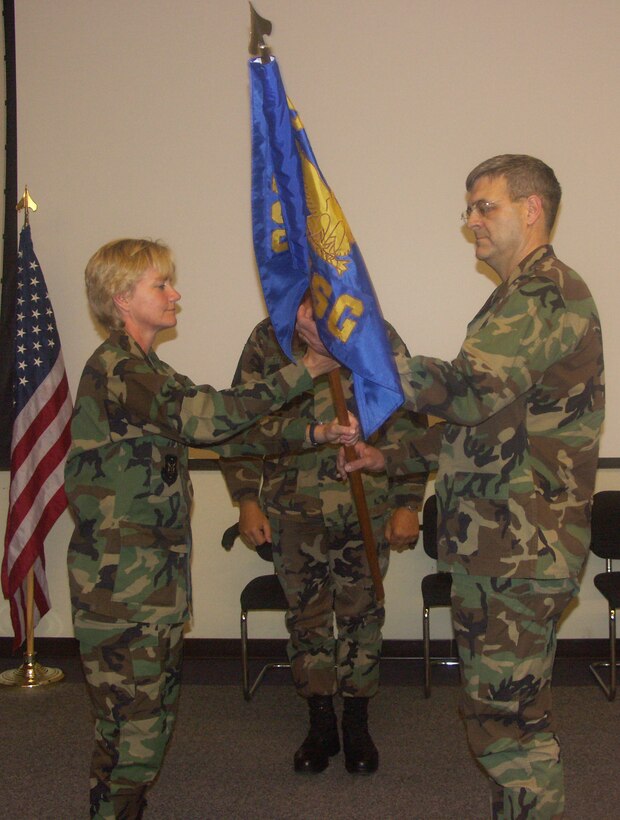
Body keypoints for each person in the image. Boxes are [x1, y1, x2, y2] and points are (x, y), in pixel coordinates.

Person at [298, 155, 605, 818]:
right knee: (501, 719)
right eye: (467, 209)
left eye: (483, 207)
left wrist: (360, 344)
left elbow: (466, 391)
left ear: (531, 209)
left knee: (511, 730)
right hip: (500, 550)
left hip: (522, 553)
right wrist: (390, 456)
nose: (470, 223)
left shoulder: (546, 292)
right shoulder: (512, 299)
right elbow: (485, 426)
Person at [64, 238, 356, 820]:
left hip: (150, 586)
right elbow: (209, 416)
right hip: (123, 593)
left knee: (142, 724)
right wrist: (308, 369)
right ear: (123, 299)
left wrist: (313, 436)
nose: (176, 295)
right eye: (160, 285)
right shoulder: (122, 370)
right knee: (133, 737)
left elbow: (224, 433)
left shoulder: (148, 370)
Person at [220, 305, 428, 775]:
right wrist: (245, 500)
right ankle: (319, 723)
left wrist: (407, 503)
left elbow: (407, 416)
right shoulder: (268, 340)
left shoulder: (372, 332)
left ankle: (357, 721)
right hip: (292, 508)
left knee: (362, 616)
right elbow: (240, 421)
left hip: (364, 504)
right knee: (307, 620)